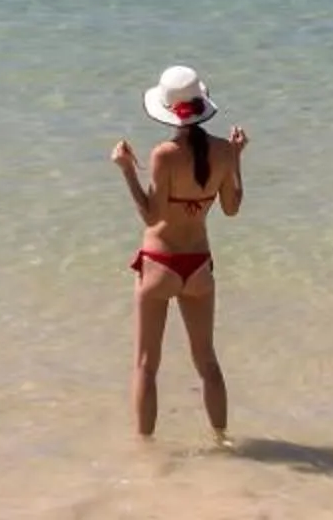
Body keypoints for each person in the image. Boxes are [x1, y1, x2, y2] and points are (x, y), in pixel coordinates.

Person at [110, 64, 246, 439]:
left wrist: (125, 171)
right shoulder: (223, 151)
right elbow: (232, 209)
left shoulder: (163, 154)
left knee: (145, 366)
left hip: (160, 264)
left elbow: (153, 216)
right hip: (198, 266)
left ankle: (147, 456)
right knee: (207, 362)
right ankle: (223, 441)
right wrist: (237, 159)